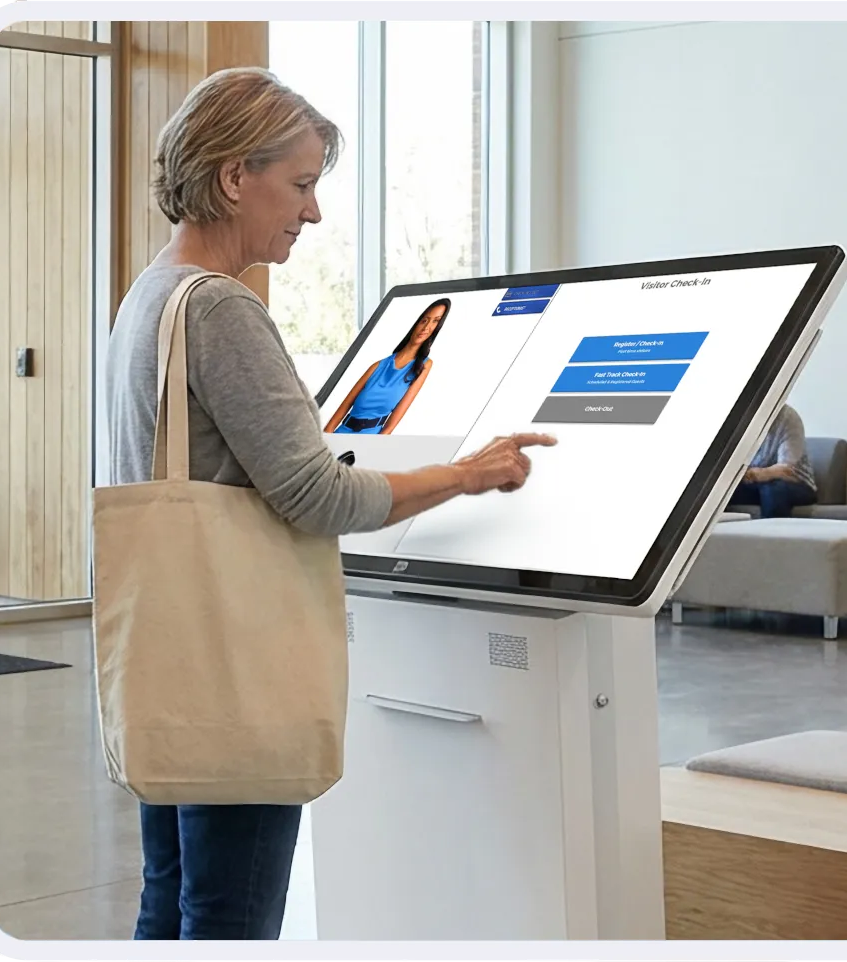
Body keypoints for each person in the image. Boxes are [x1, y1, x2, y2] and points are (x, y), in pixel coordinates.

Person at [106, 66, 556, 941]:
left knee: (174, 899)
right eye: (302, 184)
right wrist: (468, 473)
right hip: (238, 664)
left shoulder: (148, 297)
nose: (311, 212)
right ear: (237, 177)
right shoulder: (222, 310)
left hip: (172, 657)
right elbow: (315, 494)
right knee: (231, 918)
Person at [324, 298, 449, 434]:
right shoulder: (377, 366)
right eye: (424, 320)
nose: (426, 327)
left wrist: (377, 448)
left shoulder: (424, 366)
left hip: (372, 440)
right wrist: (325, 441)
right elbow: (343, 408)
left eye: (435, 321)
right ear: (417, 323)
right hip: (342, 434)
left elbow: (390, 426)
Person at [728, 403, 818, 518]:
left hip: (795, 482)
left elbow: (786, 470)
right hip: (753, 484)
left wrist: (754, 474)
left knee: (773, 490)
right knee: (716, 492)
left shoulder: (788, 417)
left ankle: (775, 535)